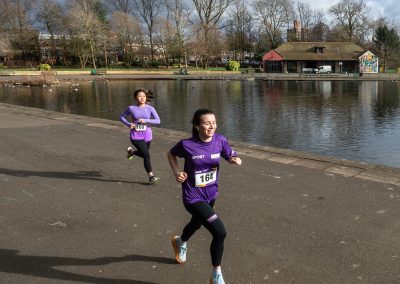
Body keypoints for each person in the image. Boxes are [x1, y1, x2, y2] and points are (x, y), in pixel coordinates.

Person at [167, 109, 242, 284]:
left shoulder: (220, 140)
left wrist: (233, 159)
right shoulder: (187, 144)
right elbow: (171, 154)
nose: (211, 126)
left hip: (211, 194)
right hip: (192, 196)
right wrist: (177, 172)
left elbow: (229, 153)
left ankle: (180, 241)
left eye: (214, 122)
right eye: (206, 123)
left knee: (196, 223)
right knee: (219, 232)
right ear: (197, 126)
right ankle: (216, 275)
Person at [120, 88, 161, 184]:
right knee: (146, 155)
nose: (142, 98)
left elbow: (158, 120)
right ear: (135, 98)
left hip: (147, 134)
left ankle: (132, 152)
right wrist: (129, 124)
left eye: (143, 96)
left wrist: (146, 120)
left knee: (144, 154)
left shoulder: (150, 108)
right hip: (136, 134)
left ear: (146, 97)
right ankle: (151, 176)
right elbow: (121, 117)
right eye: (139, 96)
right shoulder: (131, 108)